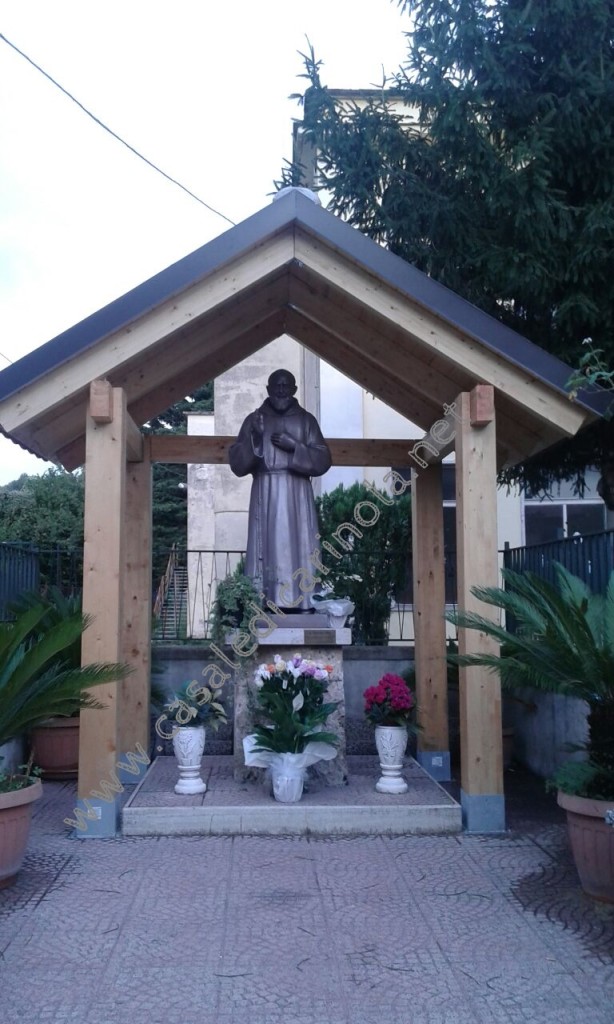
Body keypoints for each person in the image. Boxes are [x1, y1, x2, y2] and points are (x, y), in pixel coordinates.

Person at [228, 369, 332, 611]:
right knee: (266, 545)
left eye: (286, 386)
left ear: (294, 390)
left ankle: (304, 600)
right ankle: (264, 600)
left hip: (297, 491)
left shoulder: (306, 421)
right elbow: (237, 463)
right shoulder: (254, 419)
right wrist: (256, 436)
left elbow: (324, 458)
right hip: (265, 488)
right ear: (268, 389)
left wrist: (294, 445)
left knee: (300, 545)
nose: (281, 390)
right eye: (277, 386)